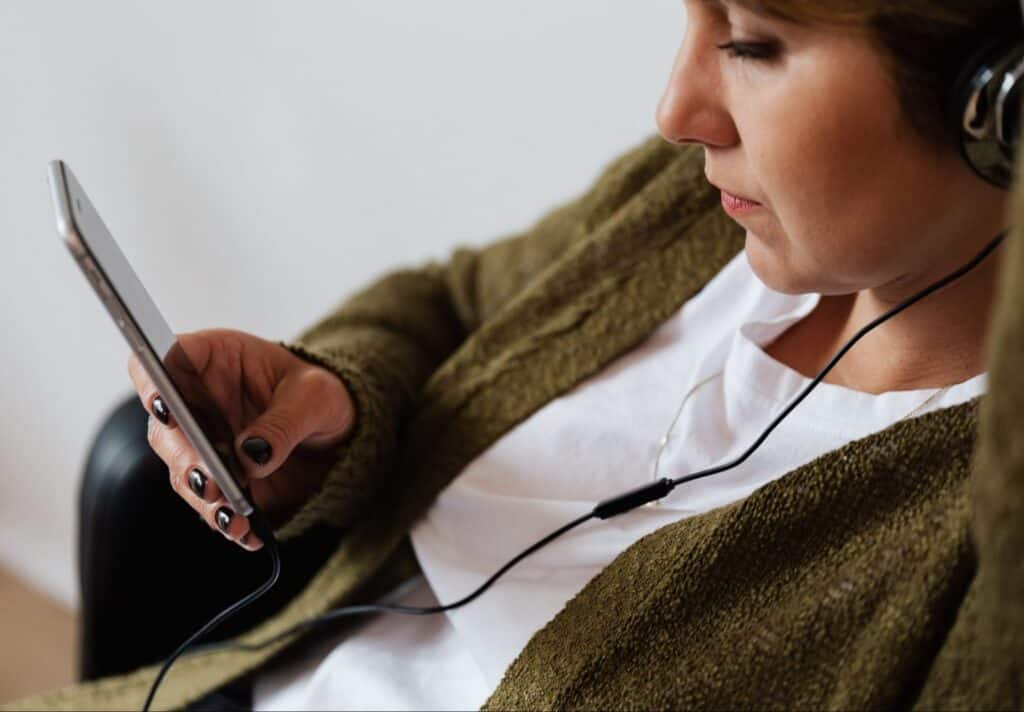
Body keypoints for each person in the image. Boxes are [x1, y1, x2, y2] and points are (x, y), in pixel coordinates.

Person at [10, 0, 1024, 709]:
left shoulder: (984, 530)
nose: (676, 110)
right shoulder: (702, 209)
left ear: (992, 103)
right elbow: (452, 299)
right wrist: (334, 402)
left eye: (754, 44)